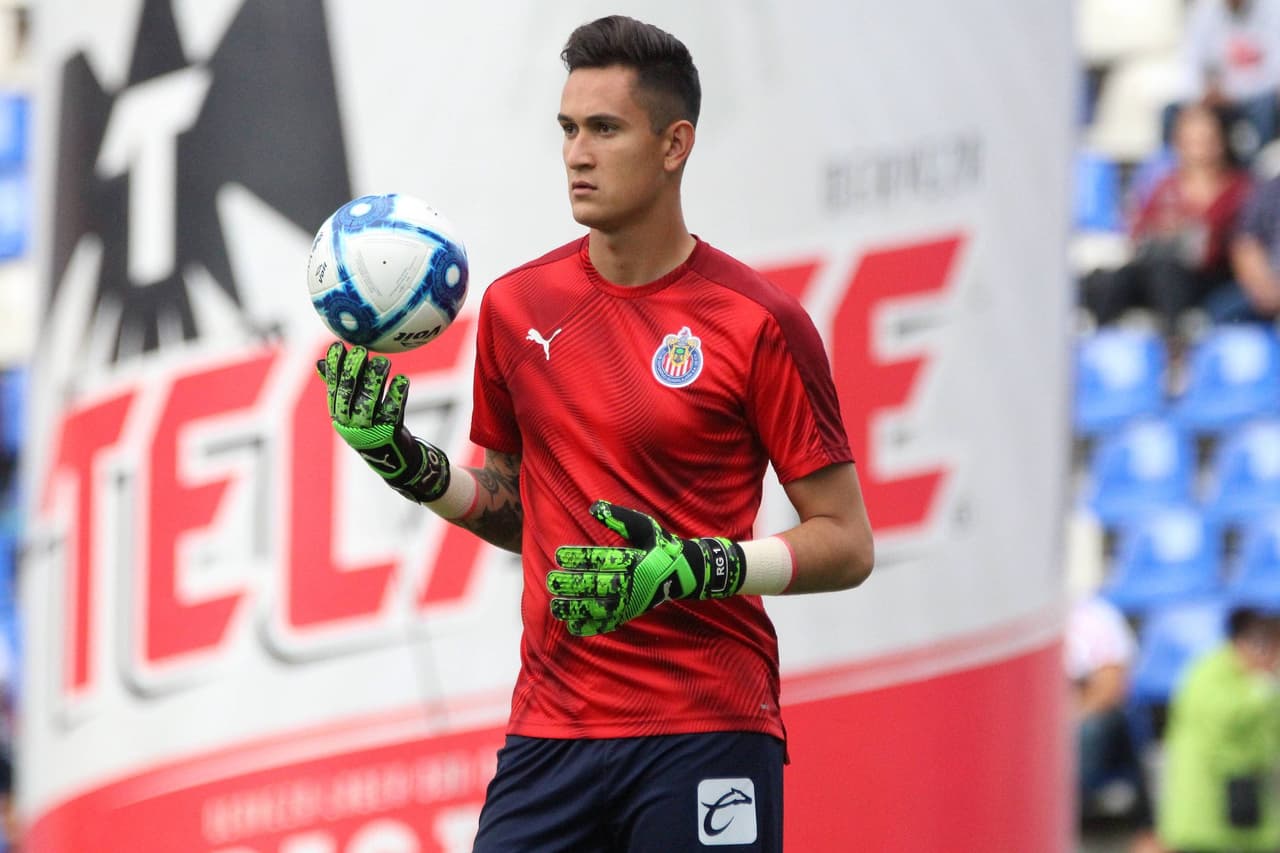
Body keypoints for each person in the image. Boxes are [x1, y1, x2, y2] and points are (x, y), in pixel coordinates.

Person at [317, 15, 873, 852]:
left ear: (674, 143)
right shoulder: (514, 308)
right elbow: (513, 508)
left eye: (605, 129)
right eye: (568, 129)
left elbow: (848, 542)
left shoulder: (760, 322)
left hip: (708, 721)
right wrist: (404, 460)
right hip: (552, 729)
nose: (577, 153)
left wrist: (695, 564)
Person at [1082, 103, 1254, 336]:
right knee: (1106, 281)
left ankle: (1174, 349)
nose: (1198, 147)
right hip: (1156, 267)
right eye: (1191, 139)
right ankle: (1100, 346)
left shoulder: (1240, 188)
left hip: (1208, 277)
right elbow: (1139, 228)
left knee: (1167, 273)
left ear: (1221, 139)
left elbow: (1238, 241)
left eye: (1205, 139)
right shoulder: (1165, 184)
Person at [1157, 605, 1280, 853]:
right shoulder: (1208, 673)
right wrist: (1264, 687)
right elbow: (1226, 731)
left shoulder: (1258, 680)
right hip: (1207, 815)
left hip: (1252, 816)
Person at [1168, 0, 1280, 162]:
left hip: (1257, 97)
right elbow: (1190, 64)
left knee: (1265, 107)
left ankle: (1257, 169)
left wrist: (1232, 92)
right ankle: (1177, 176)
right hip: (1216, 97)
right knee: (1172, 111)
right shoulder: (1204, 11)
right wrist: (1203, 93)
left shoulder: (1274, 9)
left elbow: (1274, 72)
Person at [1230, 169, 1280, 318]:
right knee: (1219, 316)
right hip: (1269, 286)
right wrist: (1264, 286)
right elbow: (1245, 242)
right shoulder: (1272, 190)